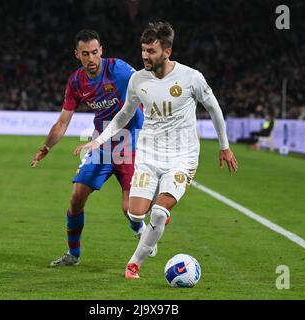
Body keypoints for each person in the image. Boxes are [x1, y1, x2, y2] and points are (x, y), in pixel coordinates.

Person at [74, 22, 238, 279]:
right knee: (134, 212)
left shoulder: (191, 78)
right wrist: (98, 141)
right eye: (143, 50)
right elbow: (123, 115)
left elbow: (214, 109)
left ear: (167, 52)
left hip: (182, 157)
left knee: (159, 212)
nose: (145, 56)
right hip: (149, 155)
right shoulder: (138, 80)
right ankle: (154, 221)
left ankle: (134, 264)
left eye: (151, 51)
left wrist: (224, 147)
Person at [31, 29, 148, 267]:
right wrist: (47, 147)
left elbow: (148, 88)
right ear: (77, 55)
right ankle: (73, 254)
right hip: (101, 143)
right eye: (85, 54)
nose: (91, 59)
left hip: (130, 142)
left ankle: (140, 228)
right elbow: (63, 121)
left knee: (129, 210)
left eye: (95, 52)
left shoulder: (119, 70)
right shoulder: (76, 81)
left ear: (101, 51)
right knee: (76, 199)